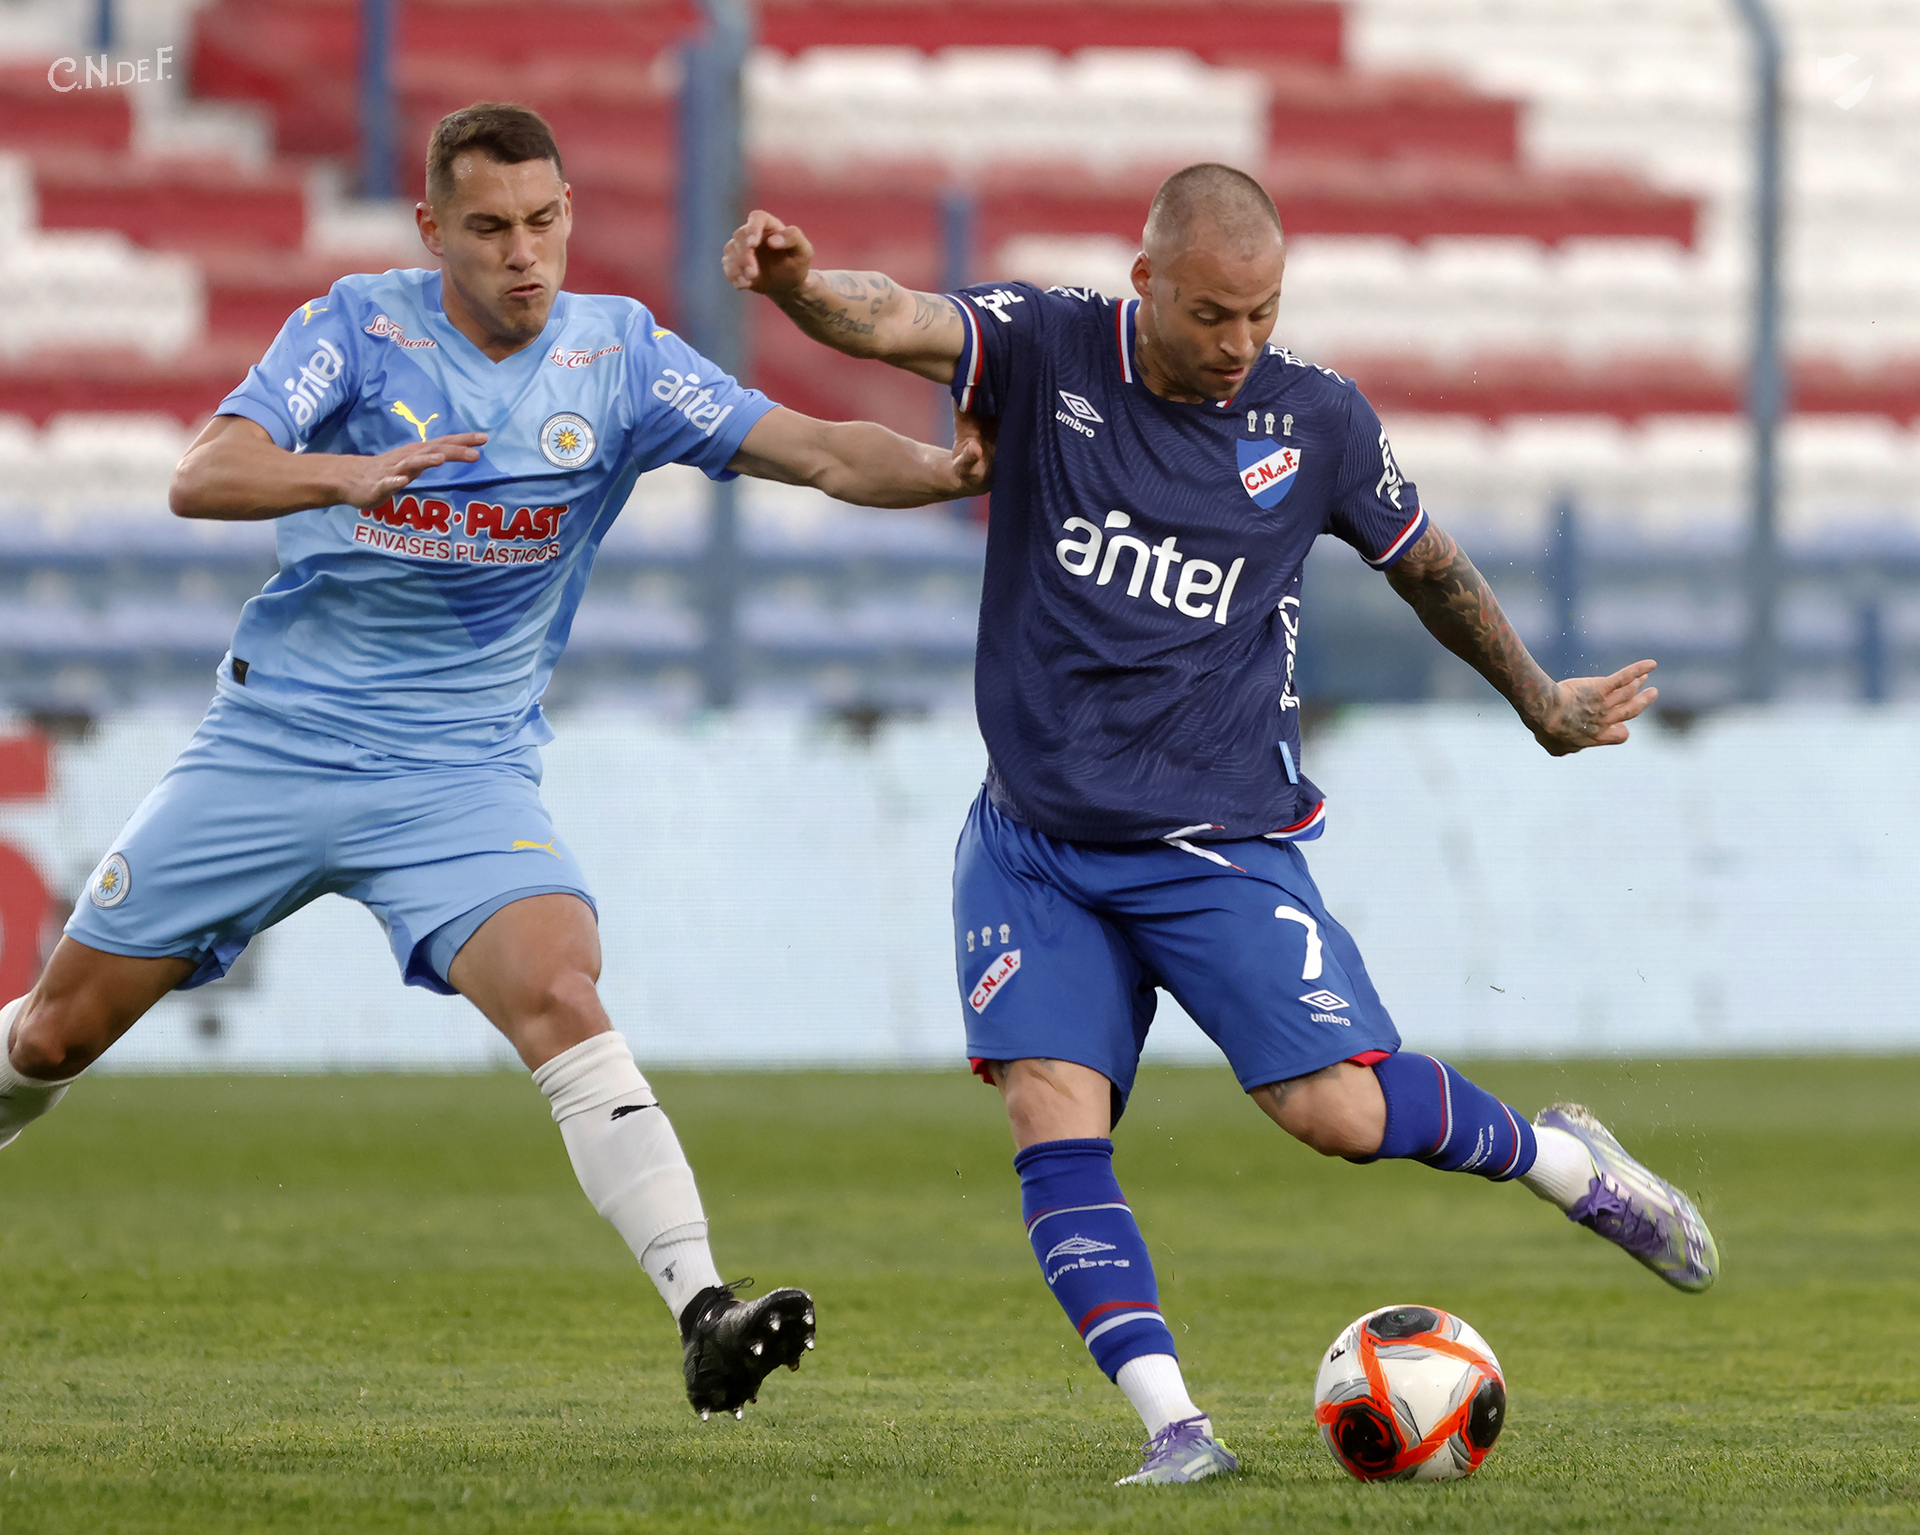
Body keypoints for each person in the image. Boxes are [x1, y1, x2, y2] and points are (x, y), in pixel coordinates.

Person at [724, 162, 1718, 1482]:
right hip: (1033, 844)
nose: (1239, 342)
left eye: (1262, 313)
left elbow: (1428, 565)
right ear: (1146, 281)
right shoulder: (1048, 346)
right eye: (1211, 315)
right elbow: (895, 317)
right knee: (1051, 1116)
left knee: (1336, 1116)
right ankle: (1176, 1430)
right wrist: (799, 287)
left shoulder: (1319, 422)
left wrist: (1540, 699)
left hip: (1214, 844)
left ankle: (1559, 1161)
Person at [0, 102, 989, 1422]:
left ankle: (705, 1312)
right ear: (432, 229)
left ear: (569, 213)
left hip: (455, 778)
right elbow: (203, 474)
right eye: (488, 228)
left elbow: (813, 447)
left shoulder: (618, 356)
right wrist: (342, 477)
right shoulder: (358, 329)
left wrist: (949, 470)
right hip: (275, 747)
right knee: (56, 1032)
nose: (524, 254)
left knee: (561, 987)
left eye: (543, 221)